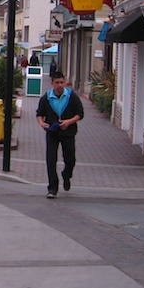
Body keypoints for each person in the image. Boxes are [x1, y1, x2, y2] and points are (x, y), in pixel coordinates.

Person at [36, 71, 84, 199]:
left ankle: (66, 175)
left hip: (68, 133)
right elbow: (40, 114)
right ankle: (52, 188)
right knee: (51, 159)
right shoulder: (46, 97)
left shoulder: (71, 96)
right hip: (52, 132)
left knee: (70, 159)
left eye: (61, 82)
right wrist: (42, 123)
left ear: (65, 83)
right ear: (52, 84)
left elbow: (80, 114)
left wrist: (68, 122)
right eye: (57, 83)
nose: (59, 85)